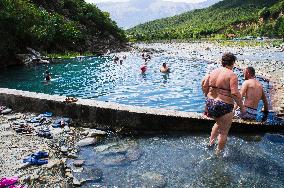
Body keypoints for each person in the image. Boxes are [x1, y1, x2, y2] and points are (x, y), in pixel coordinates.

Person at [202, 52, 245, 155]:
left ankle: (210, 144)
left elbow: (204, 86)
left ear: (222, 62)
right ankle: (218, 155)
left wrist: (207, 98)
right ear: (233, 63)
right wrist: (242, 107)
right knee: (224, 132)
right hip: (224, 105)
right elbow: (234, 93)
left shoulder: (213, 72)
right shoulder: (232, 75)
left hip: (210, 103)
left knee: (217, 123)